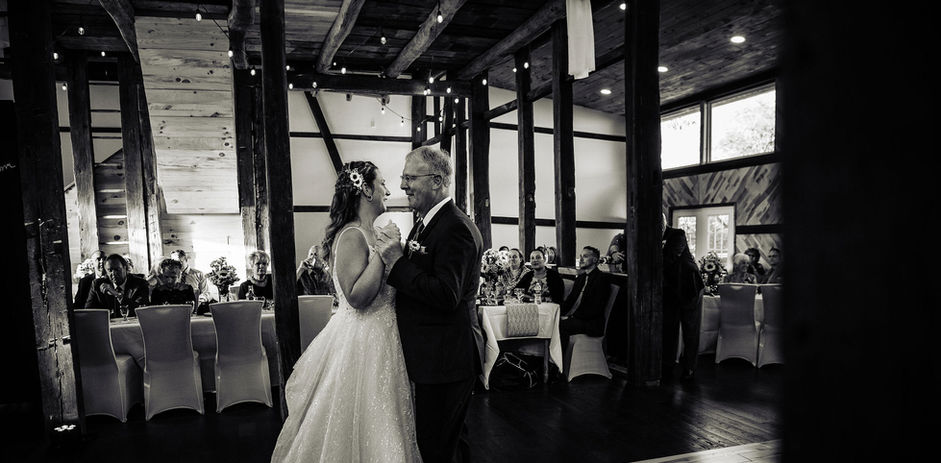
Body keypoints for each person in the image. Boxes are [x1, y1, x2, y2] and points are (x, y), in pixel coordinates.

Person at [270, 161, 421, 462]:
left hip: (385, 337)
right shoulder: (352, 235)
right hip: (363, 342)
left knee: (386, 418)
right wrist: (384, 251)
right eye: (382, 183)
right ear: (366, 190)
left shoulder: (371, 232)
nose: (387, 189)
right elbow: (356, 297)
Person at [374, 146, 484, 463]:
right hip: (433, 356)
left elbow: (446, 294)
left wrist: (397, 262)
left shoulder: (456, 228)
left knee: (437, 446)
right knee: (447, 443)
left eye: (410, 178)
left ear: (436, 181)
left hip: (446, 358)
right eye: (403, 178)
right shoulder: (427, 223)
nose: (403, 185)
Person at [662, 214, 706, 381]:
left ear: (664, 223)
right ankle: (667, 364)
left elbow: (669, 258)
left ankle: (689, 367)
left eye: (659, 224)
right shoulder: (650, 237)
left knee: (690, 328)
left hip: (689, 287)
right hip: (670, 289)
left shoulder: (677, 234)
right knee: (669, 327)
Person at [559, 246, 611, 352]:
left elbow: (595, 309)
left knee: (560, 326)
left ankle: (560, 360)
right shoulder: (581, 278)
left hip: (590, 323)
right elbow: (570, 301)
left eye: (585, 256)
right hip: (577, 318)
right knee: (553, 322)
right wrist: (559, 313)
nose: (581, 259)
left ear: (595, 260)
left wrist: (571, 317)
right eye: (580, 256)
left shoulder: (601, 279)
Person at [85, 254, 150, 319]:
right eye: (110, 270)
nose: (113, 273)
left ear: (125, 268)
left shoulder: (140, 284)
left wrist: (117, 294)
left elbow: (142, 311)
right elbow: (88, 312)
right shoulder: (97, 284)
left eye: (117, 269)